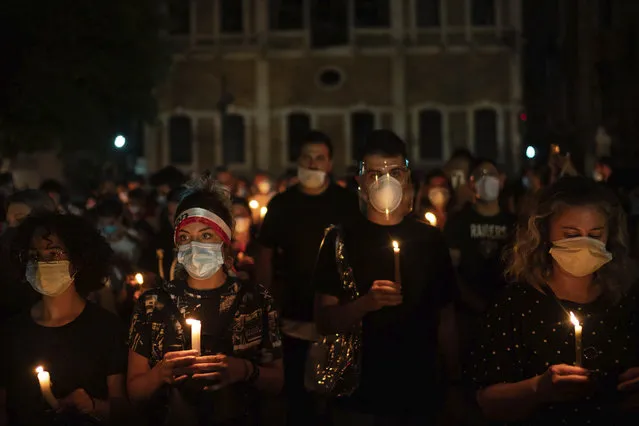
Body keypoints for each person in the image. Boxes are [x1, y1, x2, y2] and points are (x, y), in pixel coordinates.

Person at [314, 130, 458, 426]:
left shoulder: (429, 240)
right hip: (359, 396)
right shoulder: (339, 240)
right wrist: (364, 304)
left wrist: (456, 382)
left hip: (421, 390)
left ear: (406, 178)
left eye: (394, 172)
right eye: (375, 174)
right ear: (360, 182)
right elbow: (324, 320)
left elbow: (446, 317)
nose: (385, 181)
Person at [472, 176, 639, 425]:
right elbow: (485, 403)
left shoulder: (625, 300)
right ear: (544, 233)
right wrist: (539, 389)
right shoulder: (516, 304)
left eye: (595, 234)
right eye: (571, 235)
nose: (584, 243)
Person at [127, 174, 283, 426]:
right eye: (185, 237)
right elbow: (135, 392)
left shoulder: (256, 300)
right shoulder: (152, 303)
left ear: (225, 240)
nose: (195, 246)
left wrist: (241, 370)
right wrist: (161, 374)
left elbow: (276, 383)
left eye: (206, 236)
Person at [256, 130, 360, 426]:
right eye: (307, 157)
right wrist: (265, 305)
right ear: (297, 161)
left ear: (329, 164)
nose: (313, 164)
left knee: (337, 401)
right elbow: (265, 255)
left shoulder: (347, 203)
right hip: (293, 314)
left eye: (320, 158)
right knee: (297, 400)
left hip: (338, 315)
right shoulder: (281, 204)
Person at [0, 213, 127, 426]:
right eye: (34, 256)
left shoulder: (107, 329)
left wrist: (93, 406)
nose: (42, 263)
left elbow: (124, 411)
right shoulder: (10, 333)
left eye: (54, 253)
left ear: (78, 260)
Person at [444, 158, 516, 314]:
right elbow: (451, 269)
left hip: (507, 307)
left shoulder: (513, 224)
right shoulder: (459, 222)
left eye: (491, 174)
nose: (487, 179)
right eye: (480, 176)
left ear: (501, 181)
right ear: (471, 184)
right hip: (468, 308)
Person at [0, 190, 58, 322]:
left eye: (19, 218)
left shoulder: (62, 259)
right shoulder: (6, 254)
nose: (12, 227)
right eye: (9, 222)